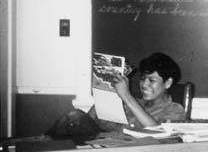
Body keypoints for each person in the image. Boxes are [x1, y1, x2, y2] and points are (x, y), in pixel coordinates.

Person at [47, 52, 186, 138]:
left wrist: (127, 96)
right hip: (98, 145)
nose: (144, 85)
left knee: (73, 117)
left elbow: (158, 132)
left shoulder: (174, 109)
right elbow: (88, 120)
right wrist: (107, 92)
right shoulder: (131, 102)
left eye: (152, 80)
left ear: (167, 83)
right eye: (143, 78)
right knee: (75, 116)